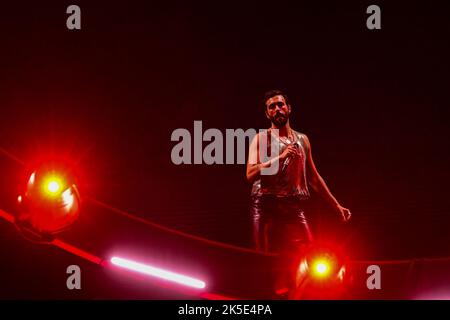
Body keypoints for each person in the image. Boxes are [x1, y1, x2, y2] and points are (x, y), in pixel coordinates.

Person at [246, 89, 351, 296]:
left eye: (280, 104)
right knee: (262, 259)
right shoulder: (261, 138)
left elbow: (313, 178)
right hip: (265, 205)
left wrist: (336, 205)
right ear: (267, 114)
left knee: (312, 257)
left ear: (289, 108)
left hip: (293, 207)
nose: (277, 109)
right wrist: (281, 157)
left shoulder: (303, 140)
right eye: (272, 107)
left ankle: (302, 294)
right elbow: (250, 174)